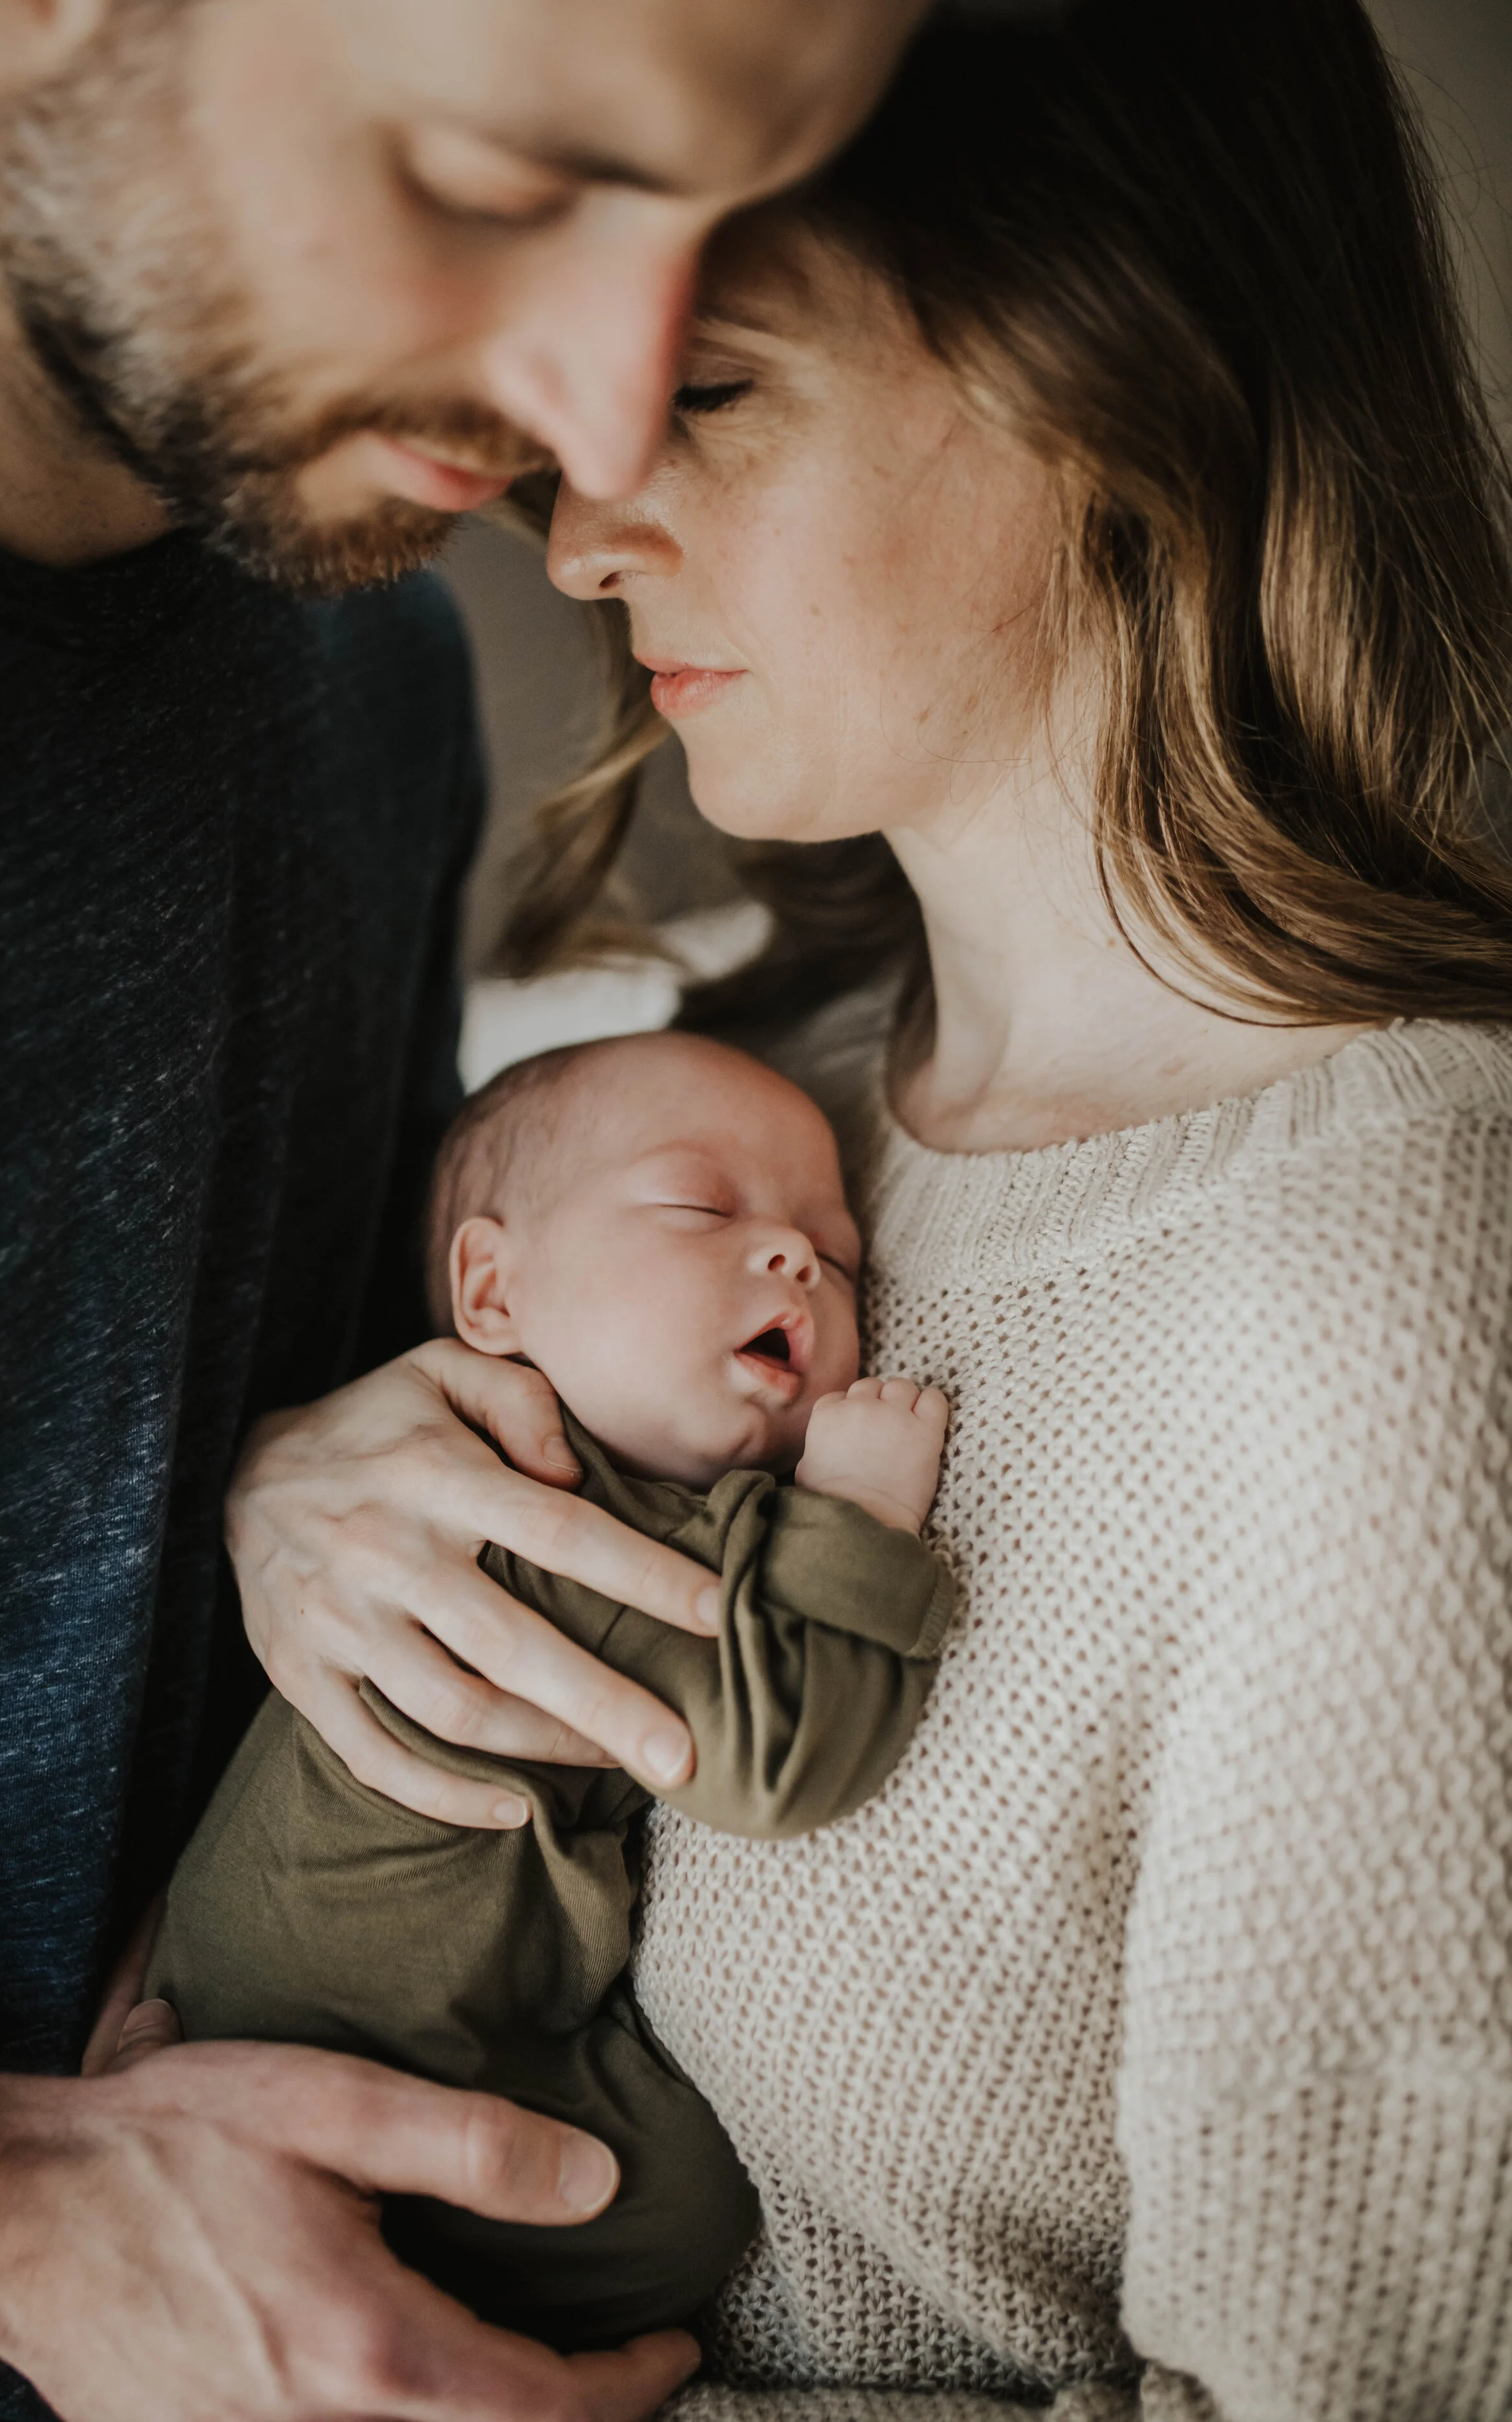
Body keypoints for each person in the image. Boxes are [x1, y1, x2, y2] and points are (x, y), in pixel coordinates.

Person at [253, 0, 1512, 2412]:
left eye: (710, 390)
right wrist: (298, 1509)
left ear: (1117, 373)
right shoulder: (736, 1110)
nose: (583, 525)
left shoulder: (1392, 1290)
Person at [0, 3, 938, 2417]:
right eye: (501, 174)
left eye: (707, 236)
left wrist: (292, 1449)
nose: (594, 437)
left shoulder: (352, 672)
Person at [147, 1030, 951, 2351]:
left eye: (840, 1253)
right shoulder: (554, 1518)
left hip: (251, 2000)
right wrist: (857, 1516)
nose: (795, 1254)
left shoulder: (518, 1487)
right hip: (356, 2077)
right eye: (702, 1206)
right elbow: (779, 1764)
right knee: (687, 2205)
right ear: (492, 1292)